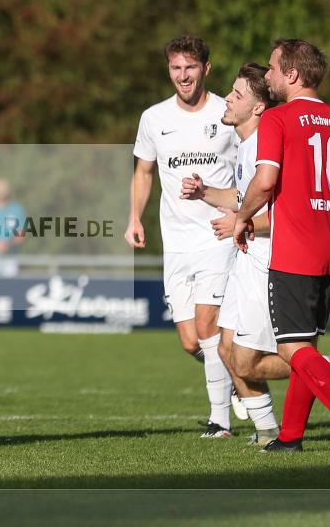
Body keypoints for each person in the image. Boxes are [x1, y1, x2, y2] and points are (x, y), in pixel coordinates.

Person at [182, 63, 330, 445]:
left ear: (258, 107)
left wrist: (241, 222)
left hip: (270, 260)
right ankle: (271, 432)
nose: (226, 99)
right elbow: (242, 195)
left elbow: (281, 208)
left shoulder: (273, 133)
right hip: (247, 258)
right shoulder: (248, 145)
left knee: (254, 357)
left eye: (237, 94)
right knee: (226, 347)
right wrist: (207, 194)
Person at [233, 39, 330, 453]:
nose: (268, 76)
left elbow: (264, 183)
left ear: (293, 74)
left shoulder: (278, 119)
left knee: (292, 348)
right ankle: (291, 436)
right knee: (307, 345)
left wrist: (242, 218)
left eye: (274, 69)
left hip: (297, 247)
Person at [125, 35, 238, 438]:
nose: (183, 75)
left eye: (190, 67)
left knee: (208, 327)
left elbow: (256, 172)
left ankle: (219, 420)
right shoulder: (154, 118)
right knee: (191, 341)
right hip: (176, 243)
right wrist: (134, 218)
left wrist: (244, 218)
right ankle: (235, 378)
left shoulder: (231, 112)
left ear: (206, 69)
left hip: (218, 238)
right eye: (176, 68)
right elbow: (143, 173)